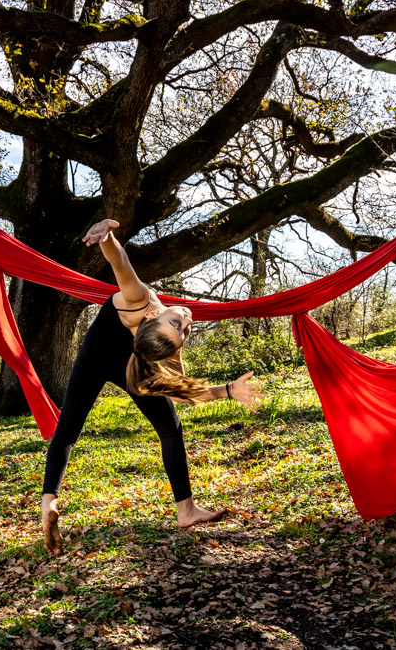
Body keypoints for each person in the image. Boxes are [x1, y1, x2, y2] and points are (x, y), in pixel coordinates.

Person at [41, 218, 265, 556]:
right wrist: (107, 238)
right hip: (115, 360)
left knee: (68, 428)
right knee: (169, 430)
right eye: (179, 324)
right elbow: (120, 263)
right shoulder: (142, 302)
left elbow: (184, 389)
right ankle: (186, 510)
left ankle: (48, 502)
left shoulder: (149, 320)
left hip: (101, 357)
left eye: (184, 330)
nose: (187, 321)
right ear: (151, 318)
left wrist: (229, 391)